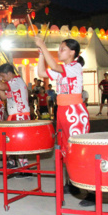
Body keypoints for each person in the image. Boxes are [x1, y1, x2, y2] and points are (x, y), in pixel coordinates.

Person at [35, 36, 91, 203]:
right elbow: (41, 73)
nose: (59, 51)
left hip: (74, 112)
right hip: (63, 112)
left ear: (73, 52)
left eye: (63, 49)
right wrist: (40, 54)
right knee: (65, 148)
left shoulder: (75, 67)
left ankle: (92, 192)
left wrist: (44, 47)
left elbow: (52, 66)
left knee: (81, 151)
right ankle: (71, 184)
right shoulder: (64, 68)